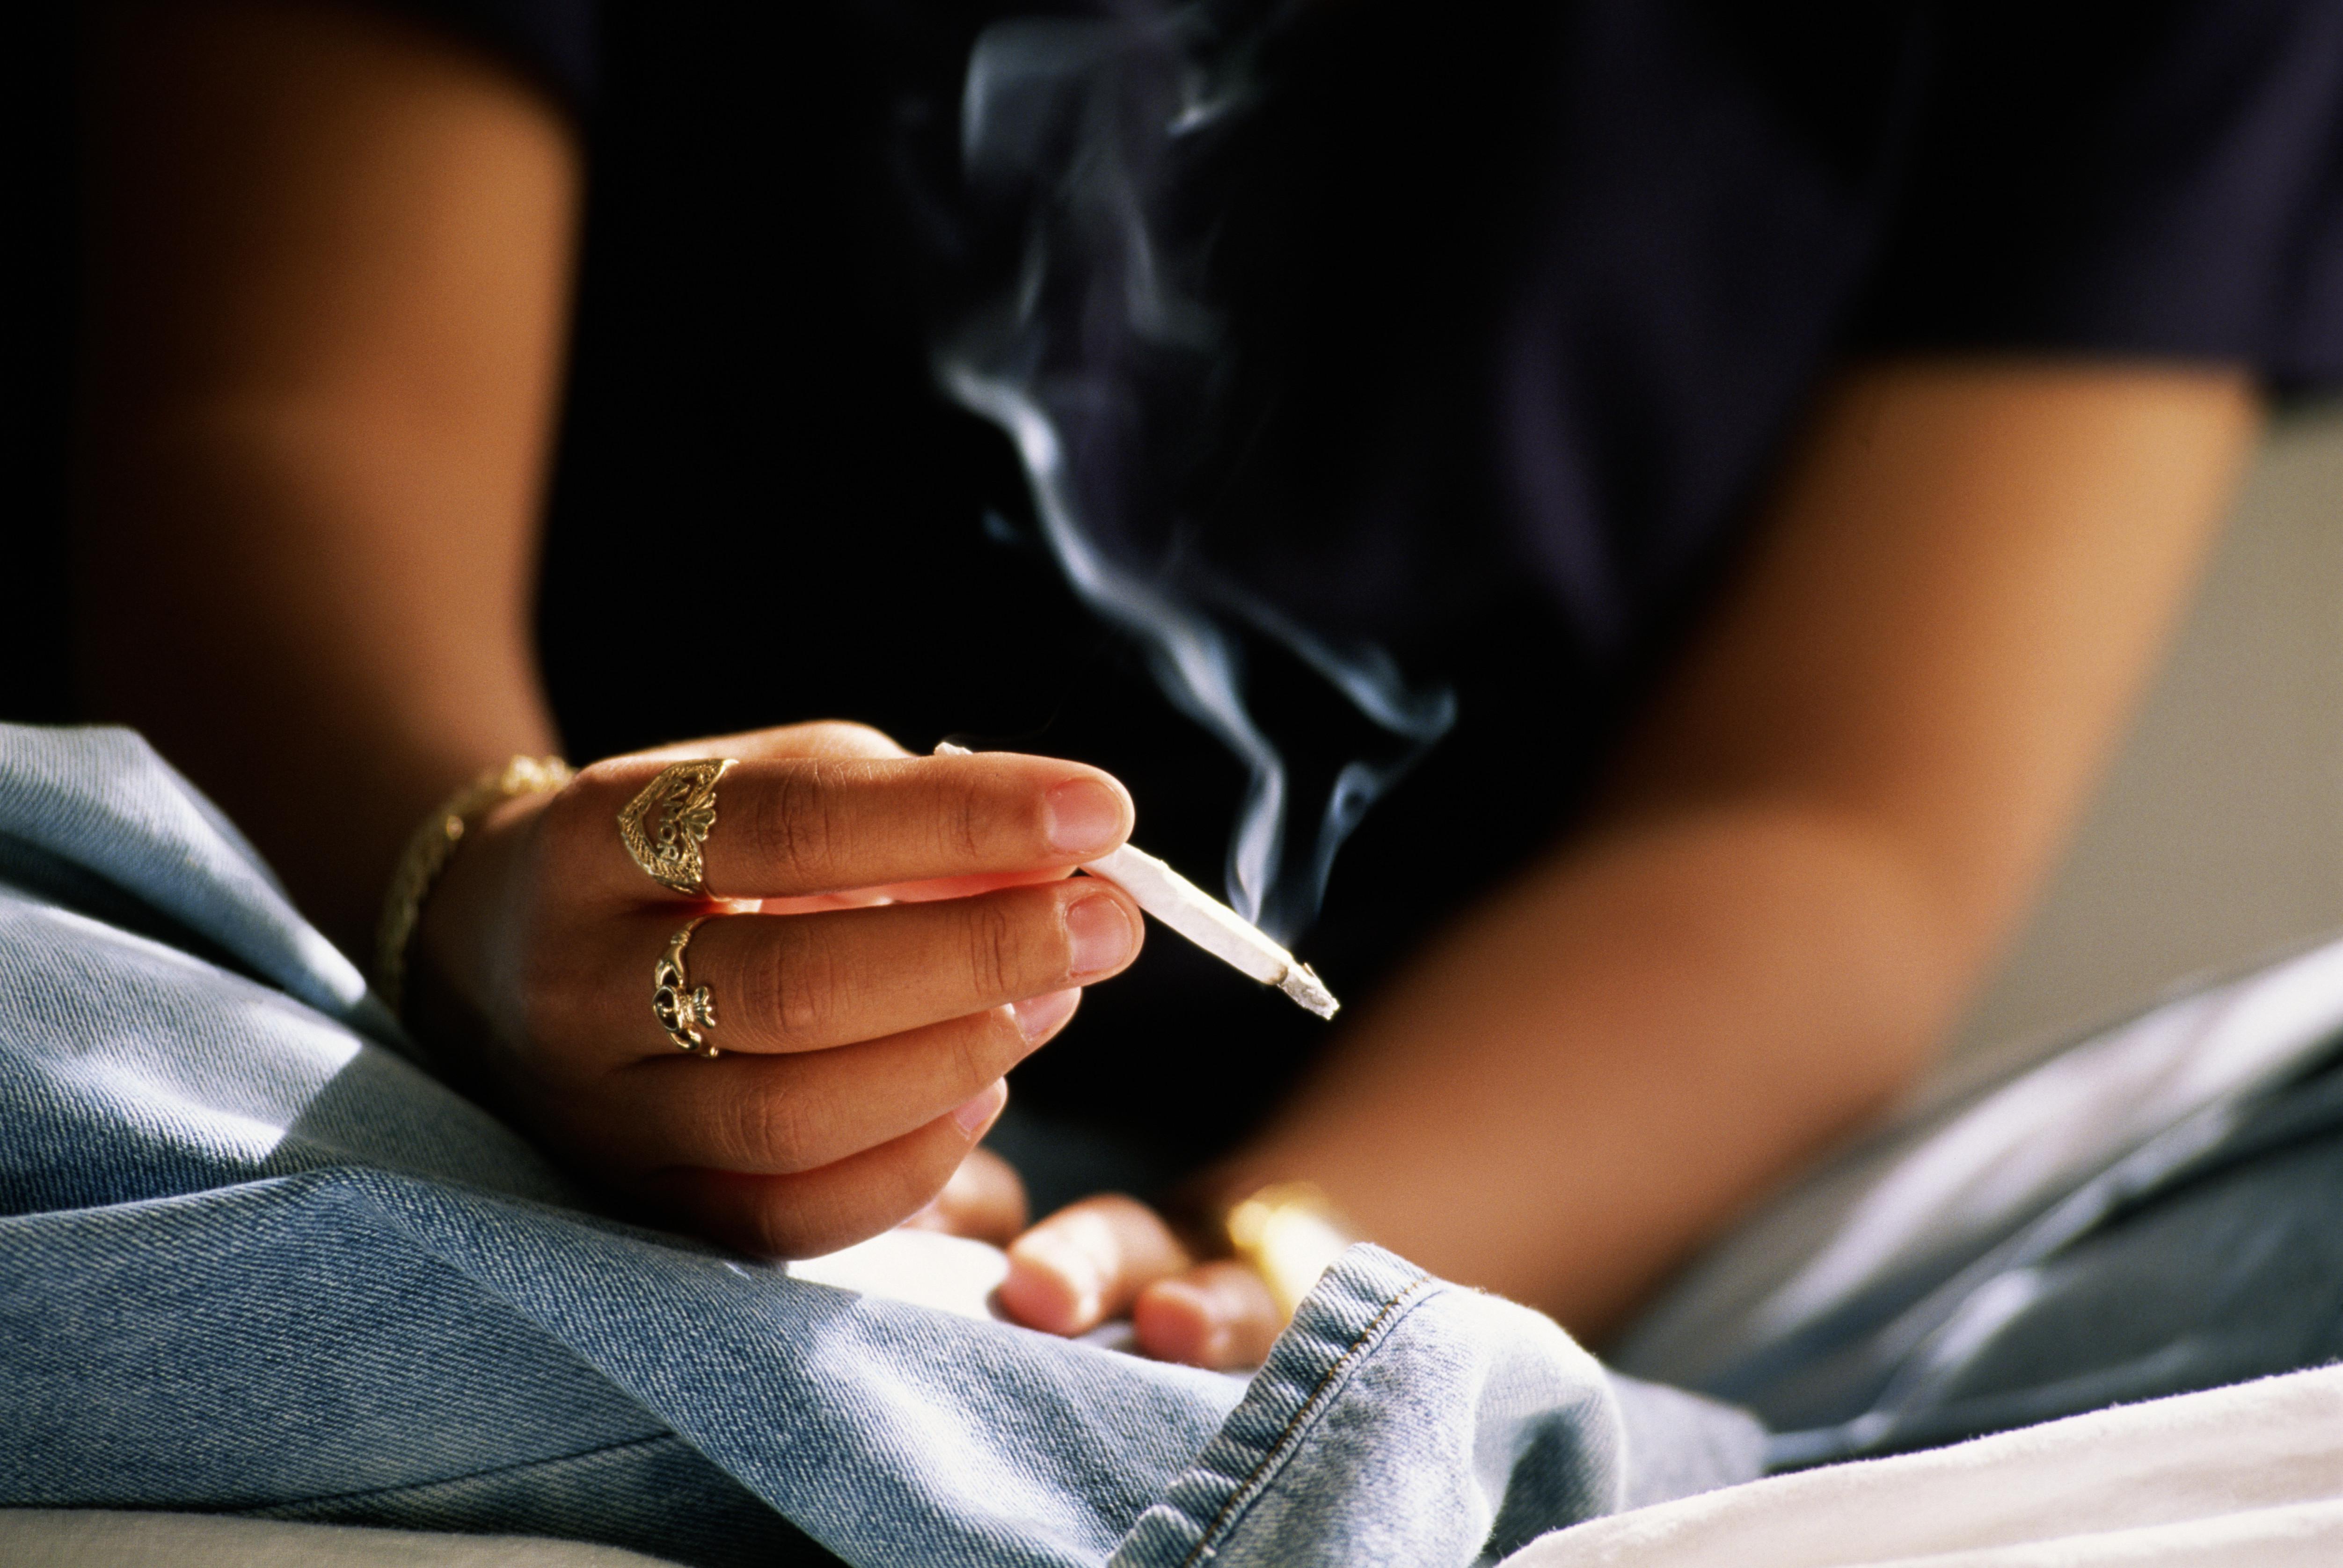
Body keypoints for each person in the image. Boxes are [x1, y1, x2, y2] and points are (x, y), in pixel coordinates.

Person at [63, 0, 2341, 1379]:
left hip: (1491, 1210)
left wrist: (1273, 1266)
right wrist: (474, 897)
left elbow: (1827, 824)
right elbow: (258, 432)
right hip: (363, 997)